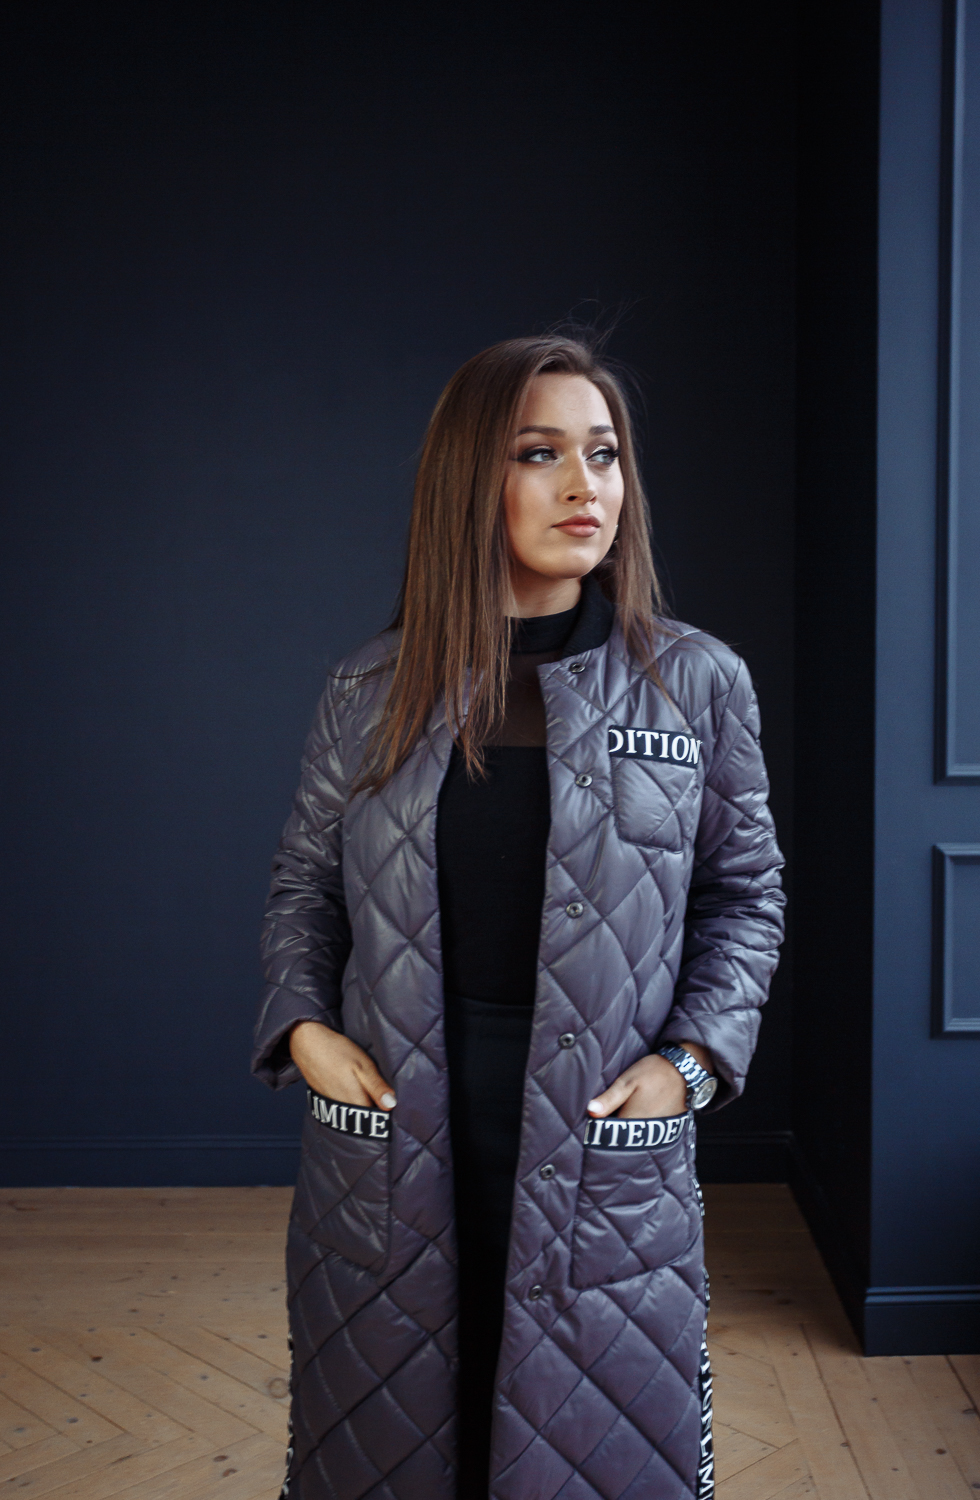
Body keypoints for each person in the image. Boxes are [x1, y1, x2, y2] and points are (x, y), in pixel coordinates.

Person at [252, 334, 785, 1500]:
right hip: (399, 1129)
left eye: (603, 453)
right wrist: (304, 1030)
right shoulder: (367, 689)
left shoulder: (696, 683)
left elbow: (745, 898)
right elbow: (305, 887)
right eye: (539, 453)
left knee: (591, 1449)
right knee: (391, 1445)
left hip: (601, 1135)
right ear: (468, 480)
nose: (584, 485)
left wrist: (690, 1065)